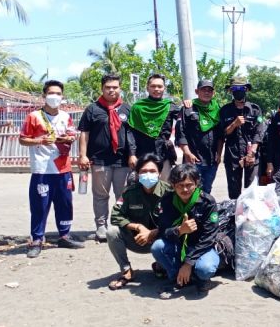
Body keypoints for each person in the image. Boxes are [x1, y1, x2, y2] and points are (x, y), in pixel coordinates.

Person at [19, 80, 85, 258]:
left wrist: (66, 138)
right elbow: (22, 139)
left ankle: (64, 235)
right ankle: (37, 240)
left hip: (63, 168)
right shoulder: (34, 116)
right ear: (44, 96)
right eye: (51, 93)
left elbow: (72, 134)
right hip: (42, 169)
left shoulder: (65, 116)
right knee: (39, 206)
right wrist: (39, 141)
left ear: (62, 97)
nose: (54, 97)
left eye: (58, 94)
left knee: (65, 204)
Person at [151, 164, 220, 297]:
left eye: (189, 184)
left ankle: (200, 278)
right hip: (178, 245)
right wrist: (179, 230)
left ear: (197, 183)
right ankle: (177, 278)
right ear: (173, 185)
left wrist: (188, 263)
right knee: (157, 247)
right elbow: (163, 230)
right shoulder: (167, 200)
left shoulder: (207, 202)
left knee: (205, 269)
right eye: (180, 185)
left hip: (201, 247)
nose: (185, 189)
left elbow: (209, 236)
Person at [78, 74, 132, 242]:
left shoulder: (127, 109)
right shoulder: (92, 109)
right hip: (100, 160)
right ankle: (101, 226)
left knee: (123, 195)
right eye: (108, 87)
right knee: (101, 195)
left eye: (115, 87)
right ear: (102, 88)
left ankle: (121, 225)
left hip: (122, 160)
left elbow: (132, 135)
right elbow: (84, 134)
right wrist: (82, 155)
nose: (111, 90)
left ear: (120, 88)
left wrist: (133, 155)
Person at [106, 153, 170, 290]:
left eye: (152, 171)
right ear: (138, 174)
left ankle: (161, 265)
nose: (148, 174)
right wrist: (138, 226)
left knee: (173, 235)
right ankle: (126, 270)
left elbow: (176, 221)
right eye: (144, 171)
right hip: (136, 239)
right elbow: (115, 216)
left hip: (160, 240)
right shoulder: (129, 192)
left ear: (159, 173)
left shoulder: (169, 192)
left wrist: (153, 233)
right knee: (112, 232)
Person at [127, 73, 182, 180]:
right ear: (147, 88)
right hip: (142, 154)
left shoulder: (170, 106)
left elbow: (186, 120)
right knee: (143, 188)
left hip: (163, 154)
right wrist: (132, 154)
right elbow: (131, 133)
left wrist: (189, 104)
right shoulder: (137, 108)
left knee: (163, 188)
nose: (156, 89)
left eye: (160, 86)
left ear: (164, 88)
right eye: (153, 86)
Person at [218, 78, 265, 198]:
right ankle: (235, 215)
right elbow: (222, 133)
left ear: (247, 90)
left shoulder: (255, 109)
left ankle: (250, 216)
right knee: (234, 193)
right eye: (235, 89)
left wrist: (252, 153)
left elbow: (259, 132)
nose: (238, 91)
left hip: (251, 155)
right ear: (230, 91)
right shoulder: (224, 110)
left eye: (242, 88)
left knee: (253, 190)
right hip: (232, 155)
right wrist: (234, 124)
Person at [176, 79, 222, 194]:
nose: (207, 92)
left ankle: (203, 212)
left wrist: (219, 154)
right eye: (203, 90)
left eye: (209, 90)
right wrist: (187, 153)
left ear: (213, 93)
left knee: (207, 190)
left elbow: (221, 135)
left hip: (212, 161)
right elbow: (180, 132)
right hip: (193, 160)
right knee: (190, 190)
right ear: (197, 91)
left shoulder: (218, 110)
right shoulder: (188, 108)